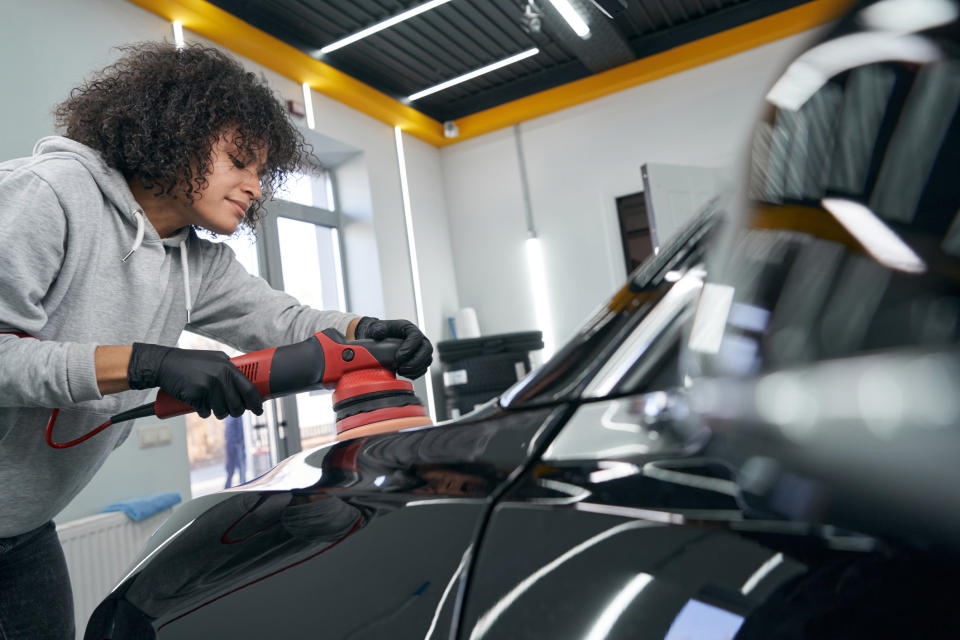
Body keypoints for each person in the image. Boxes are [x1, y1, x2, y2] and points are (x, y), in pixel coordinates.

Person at [0, 42, 432, 638]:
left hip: (22, 529)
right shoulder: (46, 196)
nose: (255, 187)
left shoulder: (195, 262)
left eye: (261, 171)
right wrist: (148, 362)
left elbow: (283, 319)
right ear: (172, 136)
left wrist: (367, 331)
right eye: (238, 162)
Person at [223, 414, 247, 489]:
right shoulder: (228, 417)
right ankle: (228, 486)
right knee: (230, 467)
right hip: (230, 445)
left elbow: (240, 428)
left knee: (241, 465)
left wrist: (238, 441)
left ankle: (243, 485)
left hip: (237, 444)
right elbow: (227, 431)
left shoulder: (236, 415)